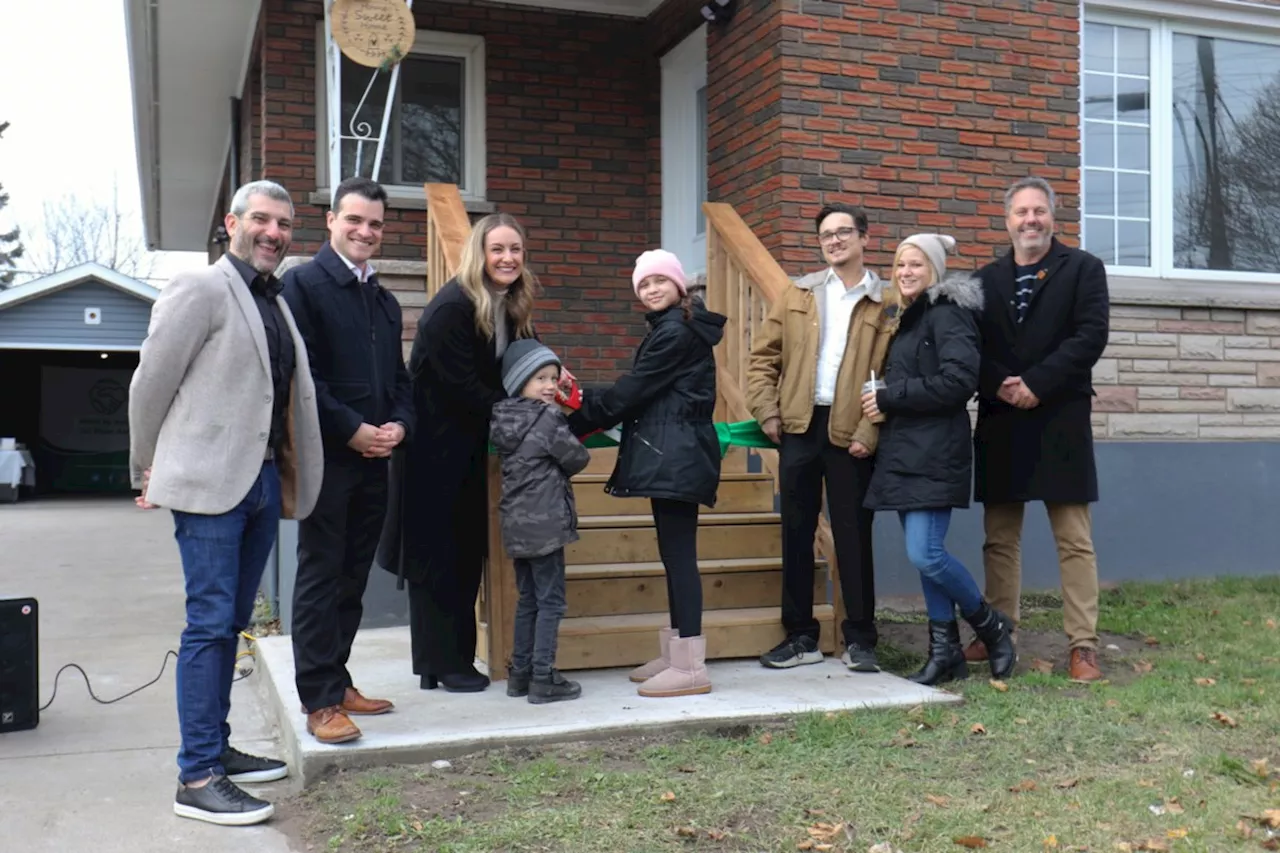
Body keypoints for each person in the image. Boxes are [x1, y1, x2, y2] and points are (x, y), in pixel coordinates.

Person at [129, 180, 322, 826]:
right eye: (261, 220)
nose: (273, 232)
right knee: (209, 624)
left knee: (230, 622)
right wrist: (143, 464)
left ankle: (218, 749)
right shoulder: (201, 288)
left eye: (284, 224)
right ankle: (197, 773)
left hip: (261, 481)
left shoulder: (276, 299)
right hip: (211, 484)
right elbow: (151, 379)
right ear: (231, 221)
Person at [380, 212, 539, 693]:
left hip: (467, 448)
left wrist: (550, 379)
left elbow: (523, 359)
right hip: (432, 452)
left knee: (463, 554)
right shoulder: (455, 305)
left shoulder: (508, 304)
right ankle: (442, 664)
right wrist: (518, 408)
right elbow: (462, 386)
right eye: (498, 249)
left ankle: (446, 661)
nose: (507, 258)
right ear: (479, 253)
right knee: (437, 558)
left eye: (515, 249)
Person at [282, 176, 413, 745]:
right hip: (328, 460)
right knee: (321, 574)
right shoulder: (302, 286)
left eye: (376, 224)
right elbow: (301, 376)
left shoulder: (384, 301)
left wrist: (399, 426)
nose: (365, 231)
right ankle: (318, 700)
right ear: (331, 220)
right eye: (355, 219)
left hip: (375, 460)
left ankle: (338, 680)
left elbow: (401, 381)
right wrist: (352, 430)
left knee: (353, 578)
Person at [745, 203, 896, 672]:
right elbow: (762, 359)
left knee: (854, 535)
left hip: (851, 429)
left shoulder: (886, 303)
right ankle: (801, 637)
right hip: (798, 426)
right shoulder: (799, 294)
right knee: (795, 531)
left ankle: (860, 640)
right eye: (826, 235)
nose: (834, 241)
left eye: (843, 232)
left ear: (865, 237)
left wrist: (870, 431)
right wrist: (767, 410)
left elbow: (893, 374)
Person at [971, 176, 1110, 683]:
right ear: (1006, 220)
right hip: (1002, 419)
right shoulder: (984, 281)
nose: (1031, 220)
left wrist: (1038, 382)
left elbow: (1091, 335)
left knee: (1073, 538)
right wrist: (1001, 384)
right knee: (999, 538)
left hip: (1060, 418)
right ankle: (998, 632)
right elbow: (969, 346)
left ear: (1054, 217)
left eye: (1039, 211)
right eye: (1021, 212)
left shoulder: (1084, 270)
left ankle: (1083, 645)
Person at [568, 249, 725, 698]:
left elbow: (633, 391)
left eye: (659, 280)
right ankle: (679, 651)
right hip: (675, 450)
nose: (652, 289)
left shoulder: (675, 331)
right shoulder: (675, 326)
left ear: (678, 285)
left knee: (679, 557)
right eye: (643, 284)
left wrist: (576, 415)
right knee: (673, 554)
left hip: (677, 453)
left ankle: (691, 666)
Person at [861, 234, 1016, 686]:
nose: (906, 271)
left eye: (916, 264)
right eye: (900, 264)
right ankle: (944, 651)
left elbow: (958, 381)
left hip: (934, 449)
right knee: (926, 558)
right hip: (908, 449)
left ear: (935, 270)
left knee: (925, 553)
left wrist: (891, 396)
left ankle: (991, 625)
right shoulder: (910, 318)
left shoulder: (948, 313)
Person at [490, 339, 591, 704]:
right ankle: (543, 676)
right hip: (546, 524)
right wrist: (565, 408)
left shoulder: (503, 416)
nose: (550, 386)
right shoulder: (547, 417)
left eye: (553, 377)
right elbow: (577, 459)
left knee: (528, 599)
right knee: (551, 602)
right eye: (540, 379)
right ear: (520, 383)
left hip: (516, 523)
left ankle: (520, 675)